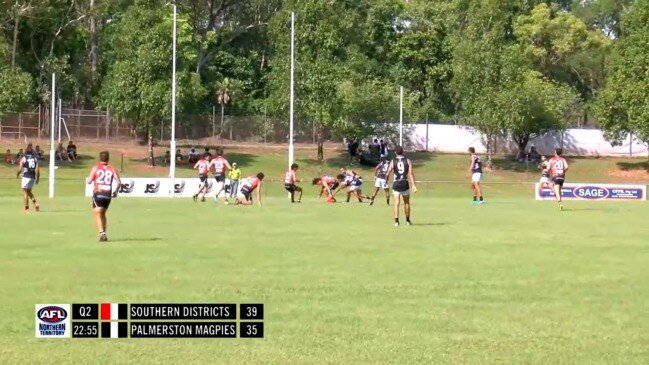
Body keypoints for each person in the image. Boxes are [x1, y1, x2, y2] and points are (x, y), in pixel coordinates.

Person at [86, 151, 121, 242]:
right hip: (107, 195)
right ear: (108, 158)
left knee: (97, 213)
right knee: (102, 213)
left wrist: (91, 179)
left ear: (100, 158)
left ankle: (102, 233)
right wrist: (116, 191)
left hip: (98, 193)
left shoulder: (96, 168)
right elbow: (119, 182)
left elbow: (89, 181)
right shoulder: (112, 168)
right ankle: (104, 232)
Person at [387, 146, 417, 226]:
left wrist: (386, 180)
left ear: (395, 152)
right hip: (404, 183)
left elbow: (388, 172)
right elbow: (410, 173)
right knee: (406, 202)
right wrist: (413, 185)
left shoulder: (393, 161)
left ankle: (396, 222)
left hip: (396, 183)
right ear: (403, 152)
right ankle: (407, 221)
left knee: (396, 203)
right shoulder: (407, 161)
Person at [16, 145, 40, 212]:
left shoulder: (24, 158)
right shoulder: (34, 158)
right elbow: (37, 169)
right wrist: (37, 178)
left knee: (25, 191)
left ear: (25, 151)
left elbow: (20, 169)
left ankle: (26, 208)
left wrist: (17, 174)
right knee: (29, 191)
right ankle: (35, 203)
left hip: (26, 176)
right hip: (32, 177)